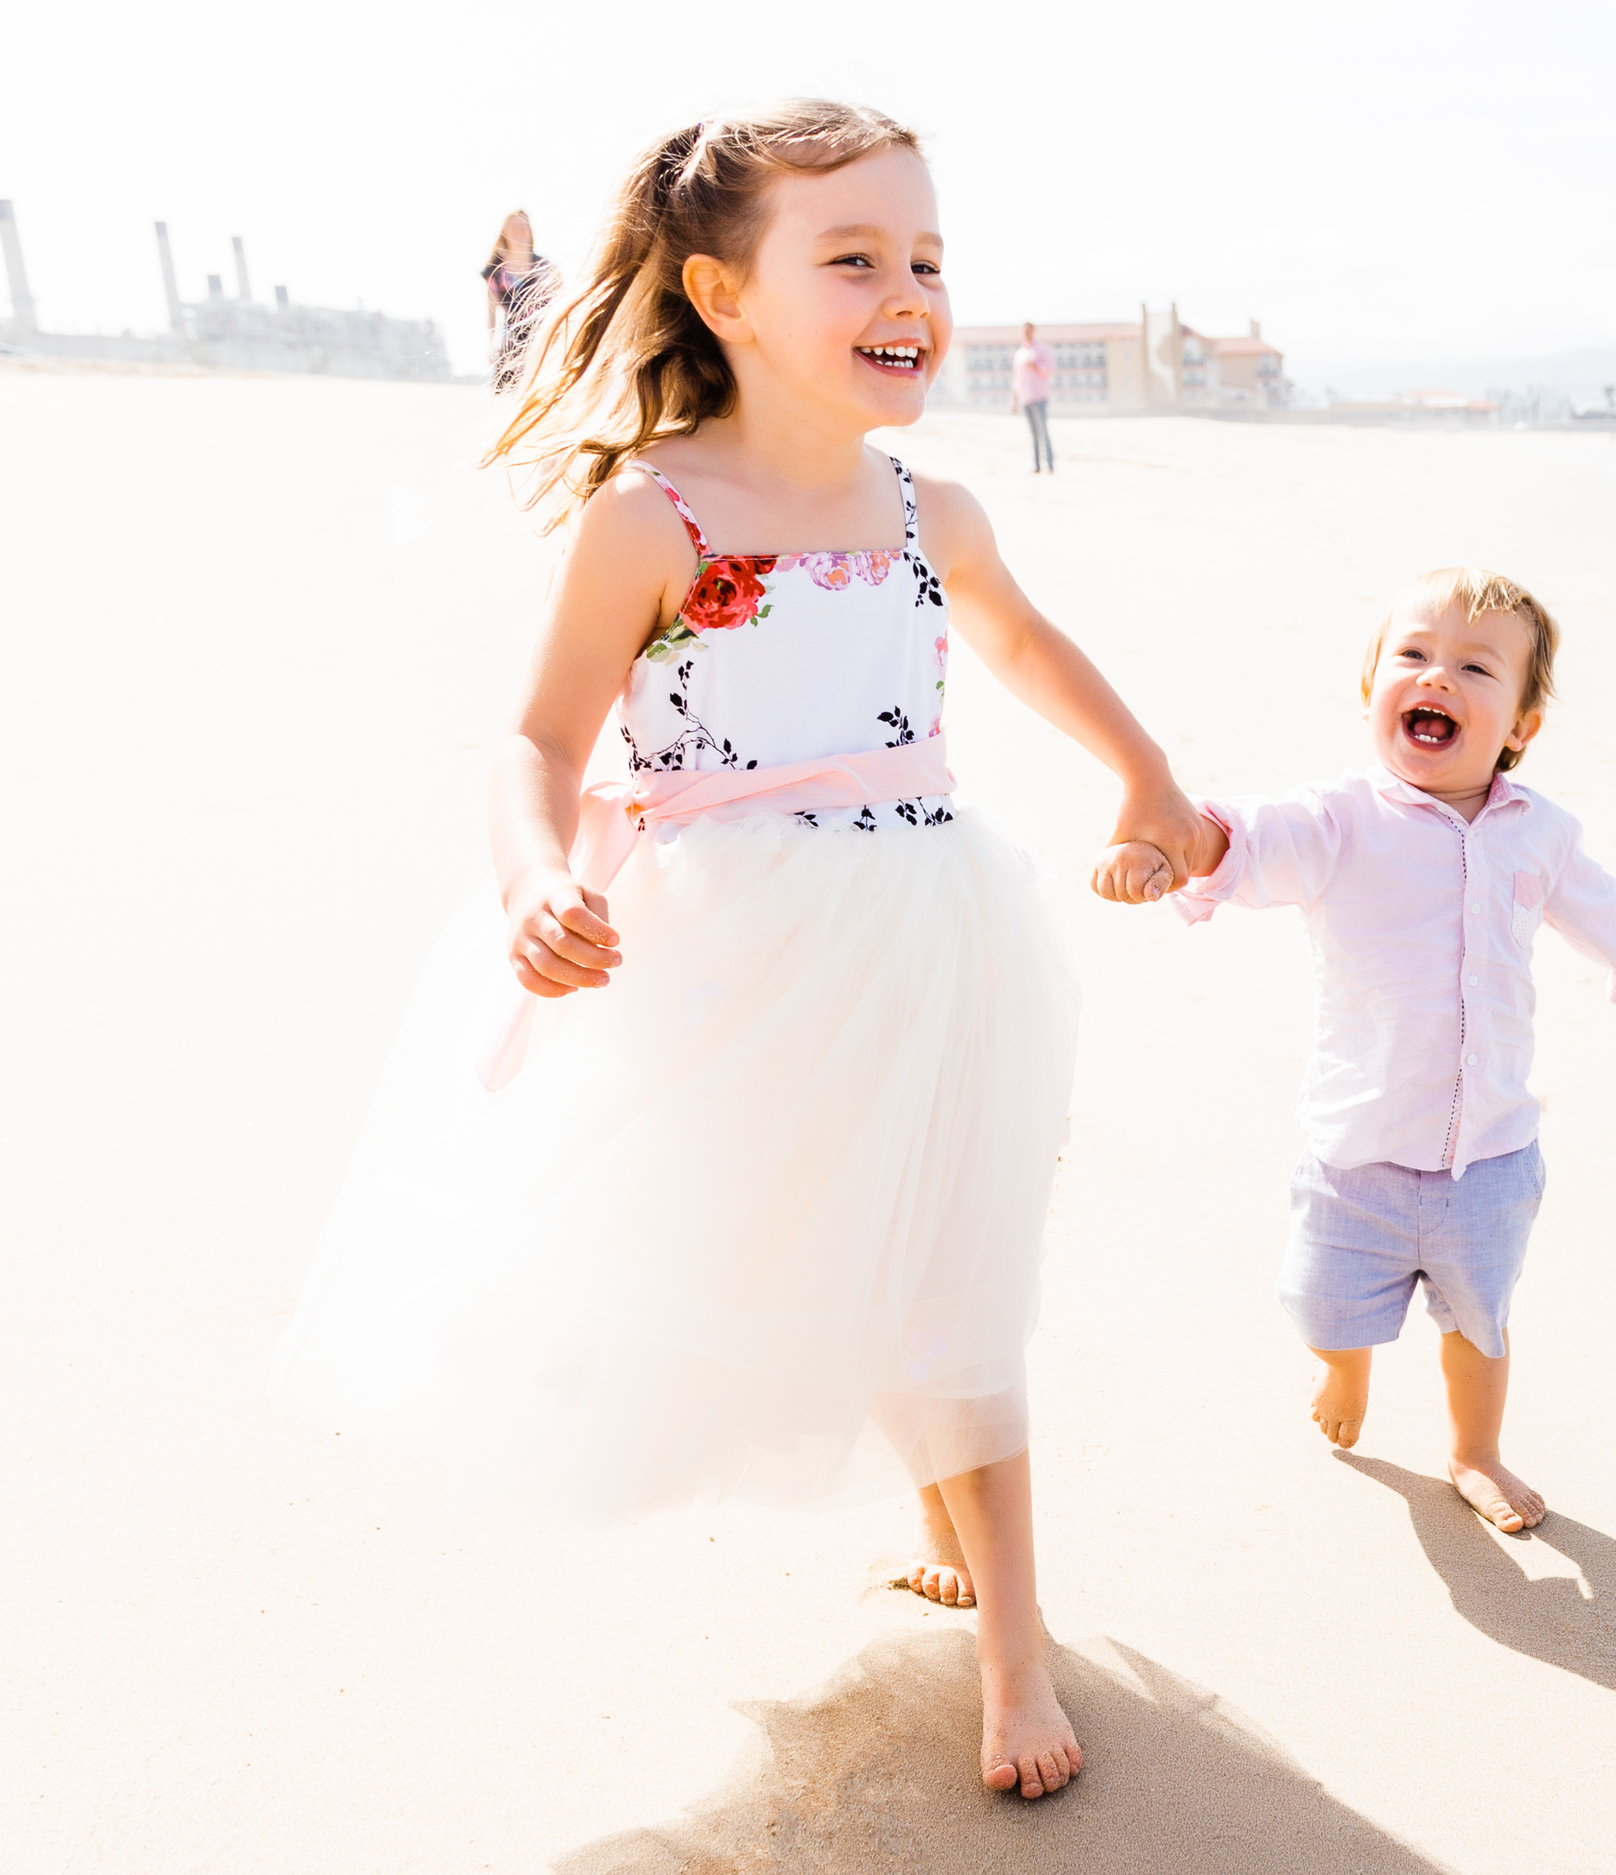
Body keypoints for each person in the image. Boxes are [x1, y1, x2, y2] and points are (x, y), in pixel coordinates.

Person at [272, 100, 1205, 1801]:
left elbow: (1028, 647)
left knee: (952, 1271)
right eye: (850, 256)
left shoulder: (937, 512)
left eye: (925, 257)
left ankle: (1016, 1649)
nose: (906, 288)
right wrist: (531, 881)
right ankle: (944, 1522)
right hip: (725, 974)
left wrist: (1149, 776)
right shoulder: (653, 517)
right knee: (812, 1260)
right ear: (722, 293)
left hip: (929, 935)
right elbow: (536, 745)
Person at [1092, 569, 1616, 1535]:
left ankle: (1474, 1450)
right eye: (1412, 656)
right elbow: (1247, 839)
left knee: (1481, 1323)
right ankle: (1346, 1363)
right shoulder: (1340, 820)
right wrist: (1173, 848)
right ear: (1374, 685)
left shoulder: (1538, 833)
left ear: (1521, 726)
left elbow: (1607, 910)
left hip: (1490, 1153)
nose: (1437, 677)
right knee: (1328, 1303)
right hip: (1357, 1152)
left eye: (1474, 666)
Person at [482, 210, 558, 392]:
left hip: (543, 343)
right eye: (513, 226)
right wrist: (492, 344)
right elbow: (491, 312)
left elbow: (562, 305)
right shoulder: (495, 271)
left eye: (524, 226)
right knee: (507, 398)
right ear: (504, 231)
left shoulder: (546, 268)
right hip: (511, 346)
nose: (519, 230)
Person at [1010, 320, 1054, 472]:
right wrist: (1015, 400)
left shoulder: (1041, 349)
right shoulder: (1019, 353)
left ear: (1033, 331)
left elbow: (1049, 369)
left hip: (1039, 396)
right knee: (1033, 433)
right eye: (1024, 329)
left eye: (1029, 329)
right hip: (1025, 398)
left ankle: (1050, 464)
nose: (1026, 332)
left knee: (1043, 432)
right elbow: (1016, 379)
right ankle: (1036, 466)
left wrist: (1034, 365)